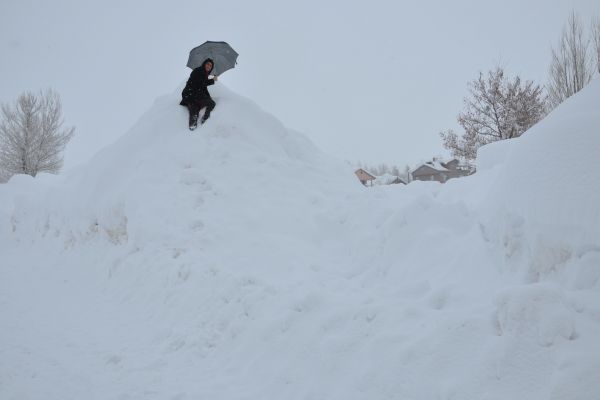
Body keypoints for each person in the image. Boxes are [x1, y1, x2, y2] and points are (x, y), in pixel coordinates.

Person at [180, 58, 218, 130]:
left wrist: (208, 97)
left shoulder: (204, 74)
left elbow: (203, 88)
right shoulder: (198, 71)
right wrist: (212, 80)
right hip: (191, 94)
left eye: (210, 66)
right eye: (207, 64)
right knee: (211, 103)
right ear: (204, 64)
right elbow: (200, 84)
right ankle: (205, 119)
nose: (209, 66)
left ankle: (193, 126)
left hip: (192, 96)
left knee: (195, 108)